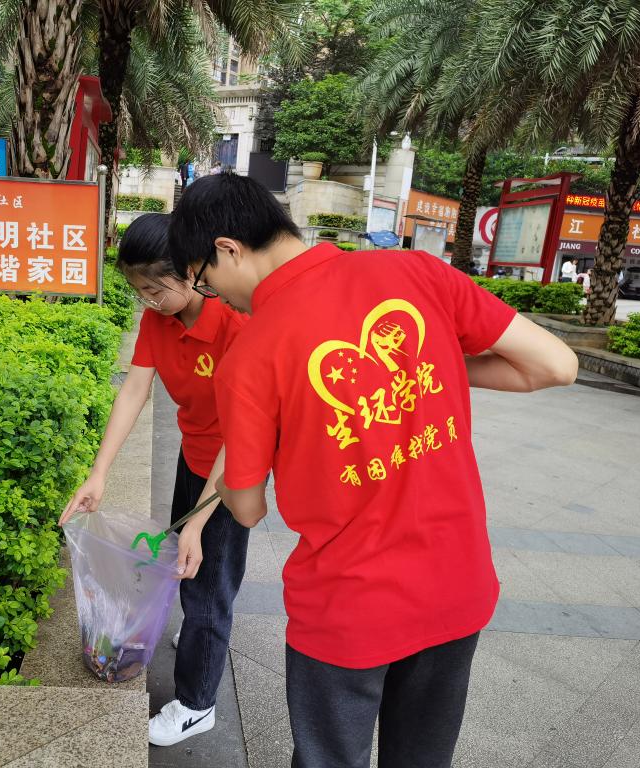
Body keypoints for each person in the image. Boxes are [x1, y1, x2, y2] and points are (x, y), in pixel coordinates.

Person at [167, 174, 578, 768]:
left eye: (205, 281)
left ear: (227, 249)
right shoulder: (418, 272)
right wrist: (425, 364)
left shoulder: (250, 357)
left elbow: (248, 508)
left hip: (346, 609)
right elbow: (555, 366)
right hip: (455, 586)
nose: (215, 297)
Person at [59, 212, 250, 748]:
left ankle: (197, 705)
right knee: (187, 564)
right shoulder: (157, 320)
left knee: (209, 582)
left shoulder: (236, 325)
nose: (148, 301)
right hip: (195, 456)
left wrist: (200, 524)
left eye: (155, 289)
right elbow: (134, 391)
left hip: (235, 469)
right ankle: (199, 632)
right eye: (138, 291)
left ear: (190, 270)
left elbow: (247, 431)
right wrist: (99, 473)